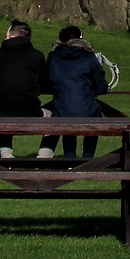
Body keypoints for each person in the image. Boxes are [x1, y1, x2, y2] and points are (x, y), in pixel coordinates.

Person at [0, 19, 51, 159]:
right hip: (29, 111)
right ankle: (45, 153)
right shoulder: (37, 56)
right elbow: (44, 84)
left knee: (5, 106)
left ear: (9, 35)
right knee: (54, 115)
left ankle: (5, 151)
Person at [47, 24, 112, 158]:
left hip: (62, 108)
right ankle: (88, 157)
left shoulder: (53, 57)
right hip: (86, 108)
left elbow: (47, 81)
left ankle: (70, 157)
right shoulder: (89, 57)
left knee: (65, 116)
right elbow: (101, 86)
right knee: (93, 119)